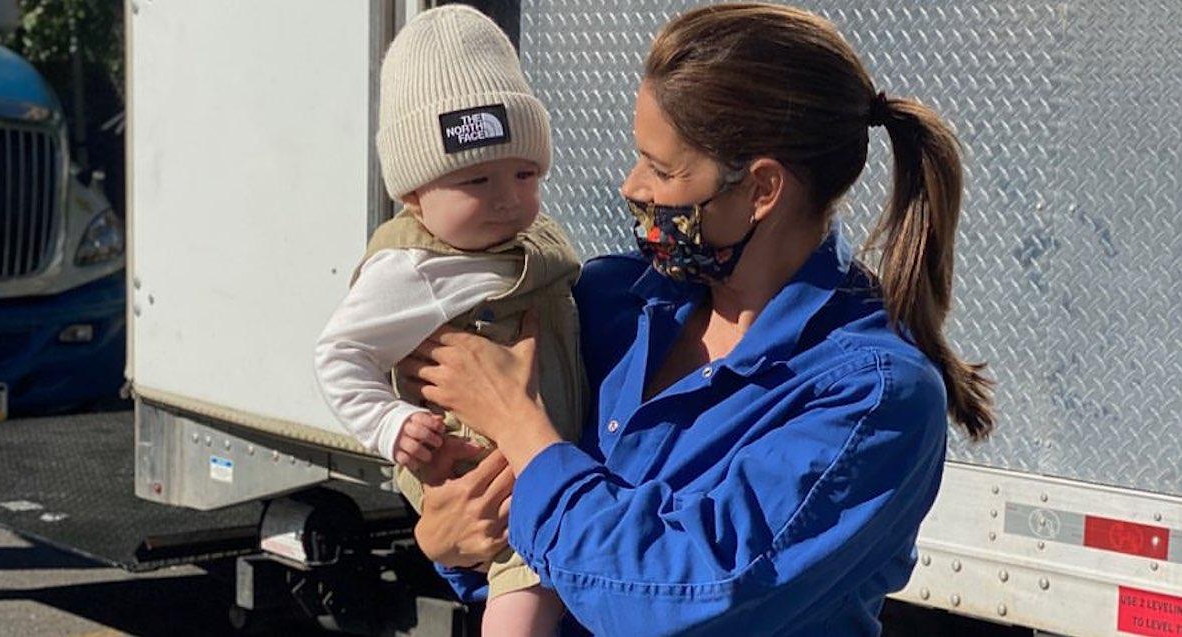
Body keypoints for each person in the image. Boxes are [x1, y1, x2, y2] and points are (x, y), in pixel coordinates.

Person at [398, 3, 996, 635]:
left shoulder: (872, 396)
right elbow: (518, 552)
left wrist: (520, 425)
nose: (632, 187)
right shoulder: (607, 302)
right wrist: (447, 537)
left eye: (662, 169)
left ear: (762, 189)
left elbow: (690, 596)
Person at [312, 6, 585, 636]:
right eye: (476, 179)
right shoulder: (412, 269)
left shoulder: (524, 241)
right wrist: (390, 421)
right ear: (414, 194)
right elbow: (340, 354)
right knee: (526, 593)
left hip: (547, 456)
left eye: (525, 173)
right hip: (485, 472)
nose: (507, 197)